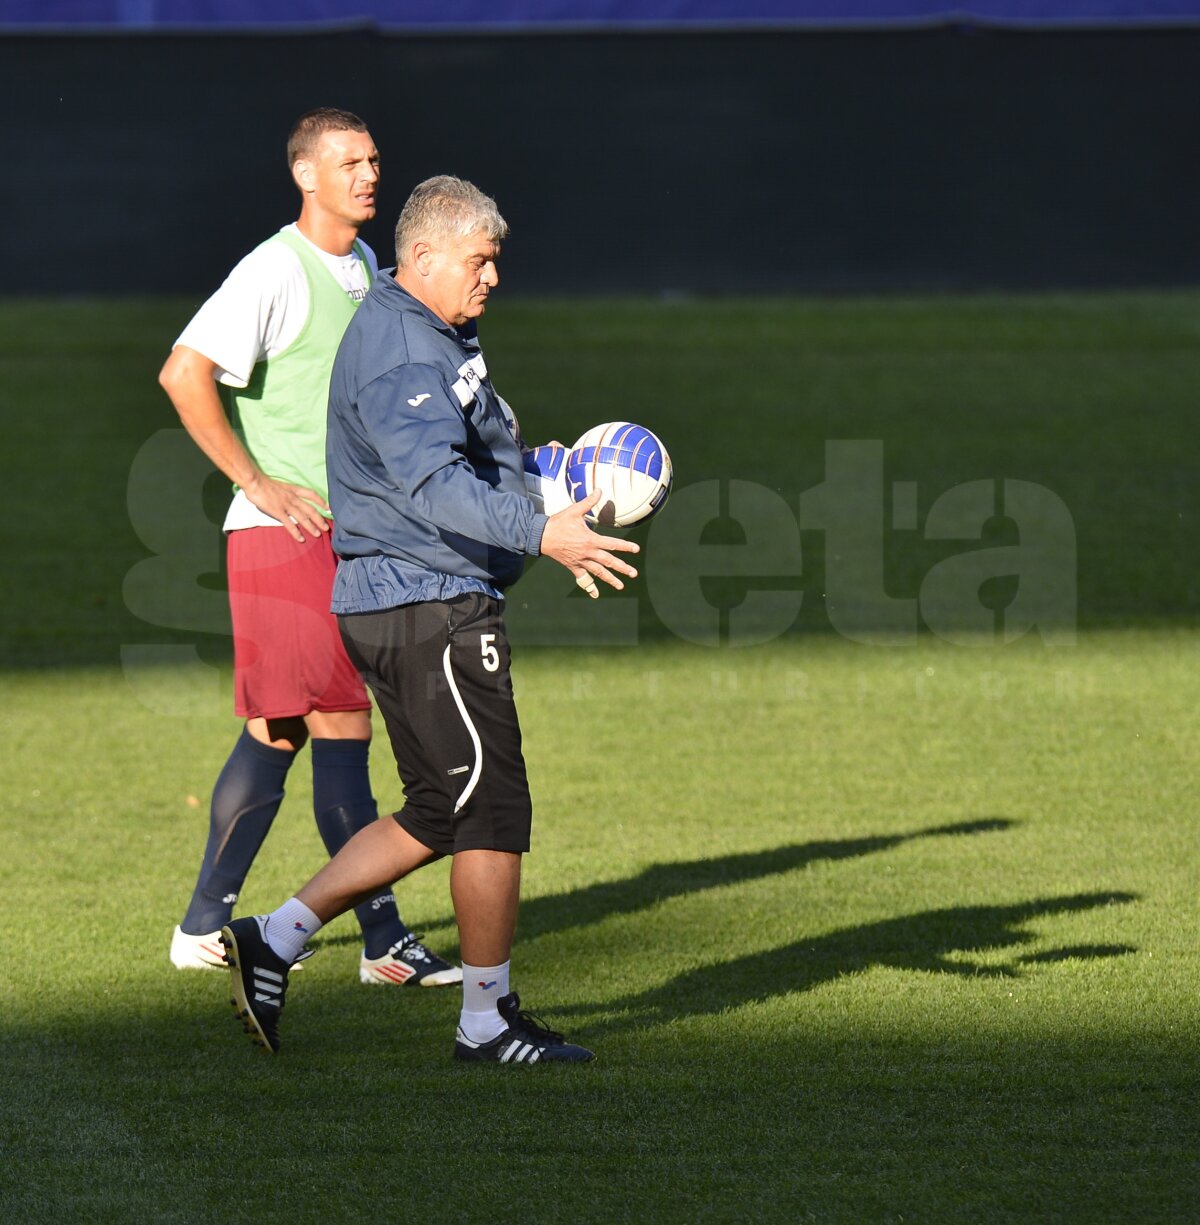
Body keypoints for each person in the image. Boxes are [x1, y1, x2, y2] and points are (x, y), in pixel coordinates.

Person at [219, 174, 641, 1063]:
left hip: (402, 603)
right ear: (421, 256)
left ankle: (277, 935)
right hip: (430, 607)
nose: (491, 279)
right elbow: (433, 482)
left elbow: (459, 455)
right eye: (479, 262)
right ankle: (486, 1022)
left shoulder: (432, 332)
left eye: (496, 262)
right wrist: (541, 529)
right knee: (493, 810)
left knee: (439, 810)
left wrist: (538, 466)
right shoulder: (409, 351)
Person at [158, 109, 458, 989]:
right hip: (283, 537)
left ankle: (246, 928)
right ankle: (354, 936)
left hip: (346, 535)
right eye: (349, 163)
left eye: (373, 160)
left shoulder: (365, 265)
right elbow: (184, 372)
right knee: (313, 728)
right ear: (305, 175)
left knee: (308, 730)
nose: (369, 175)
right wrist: (257, 482)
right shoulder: (272, 270)